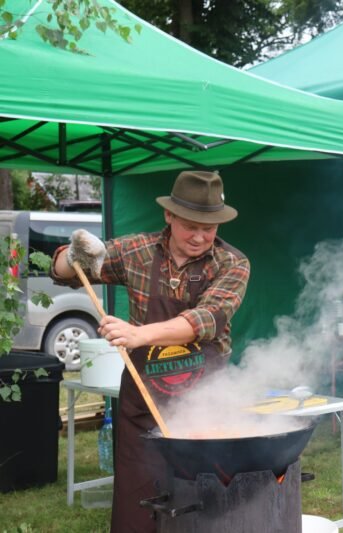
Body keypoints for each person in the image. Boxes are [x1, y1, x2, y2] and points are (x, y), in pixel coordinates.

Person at [51, 170, 250, 531]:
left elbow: (204, 320)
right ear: (169, 215)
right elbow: (65, 269)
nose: (201, 236)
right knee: (137, 498)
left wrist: (138, 334)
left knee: (204, 501)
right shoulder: (137, 251)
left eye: (210, 227)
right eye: (191, 225)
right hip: (144, 401)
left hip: (206, 400)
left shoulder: (232, 263)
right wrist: (74, 252)